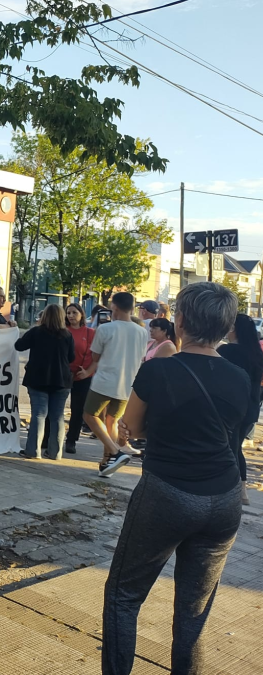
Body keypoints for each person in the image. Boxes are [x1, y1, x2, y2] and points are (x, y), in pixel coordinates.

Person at [104, 282, 247, 674]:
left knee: (123, 596)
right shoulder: (238, 377)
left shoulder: (160, 370)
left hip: (167, 490)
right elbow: (230, 432)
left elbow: (131, 426)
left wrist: (148, 430)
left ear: (180, 321)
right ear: (225, 326)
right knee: (194, 611)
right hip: (225, 496)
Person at [78, 292, 148, 478]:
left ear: (114, 307)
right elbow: (142, 357)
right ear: (132, 308)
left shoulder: (106, 328)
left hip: (105, 380)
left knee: (90, 414)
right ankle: (107, 462)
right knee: (112, 421)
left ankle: (115, 452)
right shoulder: (142, 331)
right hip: (127, 383)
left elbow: (95, 357)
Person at [15, 305, 74, 460]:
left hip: (38, 379)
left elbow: (18, 346)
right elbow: (72, 357)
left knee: (39, 415)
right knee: (57, 417)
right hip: (61, 380)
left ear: (44, 316)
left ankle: (33, 451)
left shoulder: (36, 332)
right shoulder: (67, 335)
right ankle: (55, 452)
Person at [217, 313, 262, 506]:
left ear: (233, 328)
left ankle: (236, 491)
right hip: (250, 408)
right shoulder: (256, 353)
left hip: (230, 408)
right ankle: (241, 490)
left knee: (230, 449)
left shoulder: (227, 351)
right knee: (235, 448)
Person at [63, 303, 94, 455]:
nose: (70, 315)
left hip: (82, 375)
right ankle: (47, 438)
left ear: (82, 314)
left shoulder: (90, 333)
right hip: (62, 374)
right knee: (55, 408)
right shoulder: (62, 331)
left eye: (74, 312)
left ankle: (71, 441)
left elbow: (96, 356)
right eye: (68, 313)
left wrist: (87, 371)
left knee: (77, 410)